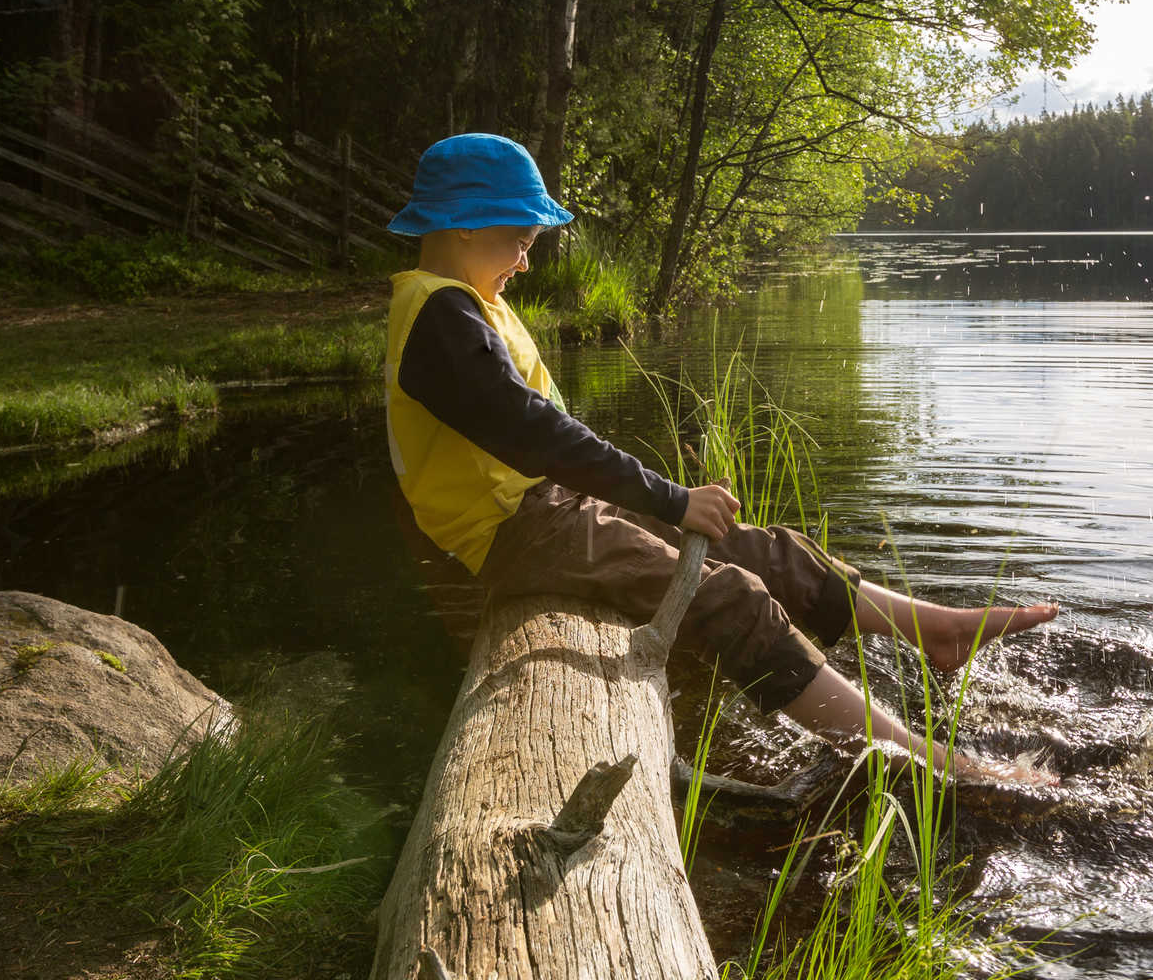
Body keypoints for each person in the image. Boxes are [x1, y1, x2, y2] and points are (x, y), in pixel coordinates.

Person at [384, 132, 1058, 785]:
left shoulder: (471, 303)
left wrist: (674, 504)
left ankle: (936, 629)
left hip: (546, 505)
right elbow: (536, 436)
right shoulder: (441, 320)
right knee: (730, 596)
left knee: (765, 550)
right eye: (522, 239)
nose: (526, 260)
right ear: (468, 224)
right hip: (516, 531)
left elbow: (542, 443)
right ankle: (925, 762)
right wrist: (674, 500)